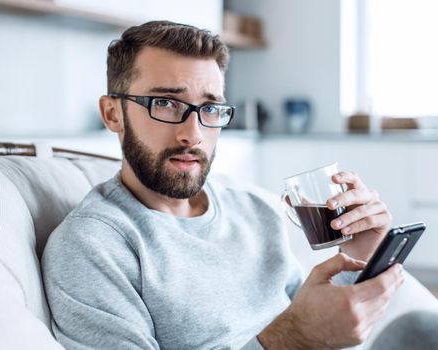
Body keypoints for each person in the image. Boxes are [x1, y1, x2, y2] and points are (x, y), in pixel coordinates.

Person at [41, 20, 411, 350]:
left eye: (210, 108)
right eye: (166, 103)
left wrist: (362, 258)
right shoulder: (92, 247)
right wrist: (288, 340)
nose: (194, 134)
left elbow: (318, 328)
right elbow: (299, 333)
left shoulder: (254, 210)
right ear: (112, 113)